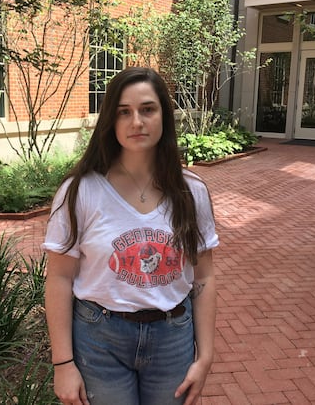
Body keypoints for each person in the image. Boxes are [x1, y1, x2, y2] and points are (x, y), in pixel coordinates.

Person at [42, 67, 219, 405]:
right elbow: (60, 278)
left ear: (164, 115)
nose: (136, 121)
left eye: (147, 109)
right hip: (99, 338)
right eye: (124, 112)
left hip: (173, 337)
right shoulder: (80, 192)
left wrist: (206, 355)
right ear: (111, 120)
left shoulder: (191, 192)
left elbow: (205, 276)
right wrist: (62, 363)